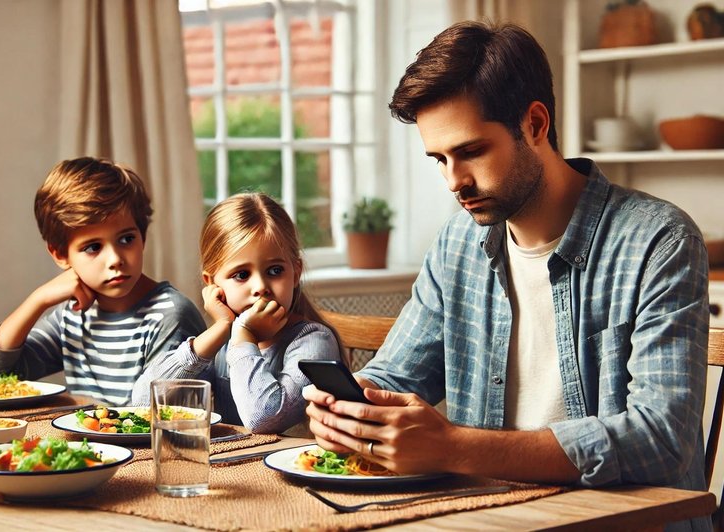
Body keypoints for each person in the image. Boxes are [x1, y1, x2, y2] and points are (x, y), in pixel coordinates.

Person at [304, 20, 710, 531]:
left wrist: (453, 448)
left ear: (535, 124)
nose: (455, 181)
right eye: (439, 159)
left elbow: (661, 440)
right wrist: (351, 403)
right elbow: (395, 377)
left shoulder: (659, 240)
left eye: (471, 151)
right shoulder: (457, 244)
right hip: (489, 518)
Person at [0, 157, 206, 406]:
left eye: (126, 239)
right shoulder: (73, 317)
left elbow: (152, 414)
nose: (115, 259)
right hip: (92, 444)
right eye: (93, 247)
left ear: (143, 237)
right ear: (61, 255)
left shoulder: (169, 315)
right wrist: (38, 300)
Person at [139, 192, 341, 434]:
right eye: (241, 275)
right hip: (233, 466)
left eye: (275, 270)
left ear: (295, 273)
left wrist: (244, 337)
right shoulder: (223, 342)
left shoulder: (314, 341)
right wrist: (220, 329)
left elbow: (263, 419)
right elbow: (142, 402)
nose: (260, 288)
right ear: (211, 282)